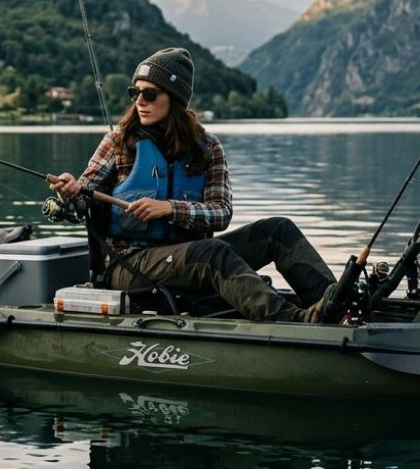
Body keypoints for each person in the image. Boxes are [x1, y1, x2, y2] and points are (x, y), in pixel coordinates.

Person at [51, 47, 332, 322]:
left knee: (278, 230)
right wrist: (70, 194)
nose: (140, 101)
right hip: (128, 266)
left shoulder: (208, 147)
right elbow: (81, 206)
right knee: (212, 253)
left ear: (175, 98)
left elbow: (221, 213)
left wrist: (170, 209)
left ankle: (335, 302)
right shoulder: (117, 142)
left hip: (191, 259)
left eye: (150, 94)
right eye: (134, 93)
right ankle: (294, 320)